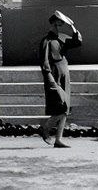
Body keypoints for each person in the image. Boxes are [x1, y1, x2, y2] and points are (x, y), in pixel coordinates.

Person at [39, 11, 82, 148]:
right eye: (58, 23)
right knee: (61, 104)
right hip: (54, 74)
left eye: (62, 23)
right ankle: (46, 128)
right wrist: (50, 78)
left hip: (64, 72)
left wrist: (72, 26)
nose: (60, 26)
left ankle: (58, 139)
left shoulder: (62, 38)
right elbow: (44, 62)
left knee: (65, 108)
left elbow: (77, 42)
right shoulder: (46, 41)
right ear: (52, 23)